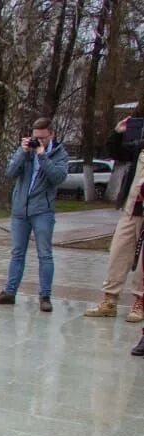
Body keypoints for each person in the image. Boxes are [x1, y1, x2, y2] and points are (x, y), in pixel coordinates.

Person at [0, 117, 68, 312]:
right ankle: (9, 292)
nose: (38, 141)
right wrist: (23, 152)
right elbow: (10, 172)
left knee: (45, 254)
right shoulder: (26, 150)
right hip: (20, 210)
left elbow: (58, 177)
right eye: (35, 137)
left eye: (43, 138)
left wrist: (42, 156)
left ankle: (45, 296)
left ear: (51, 135)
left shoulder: (59, 153)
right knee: (17, 253)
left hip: (43, 211)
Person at [84, 113, 144, 323]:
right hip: (132, 207)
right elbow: (117, 152)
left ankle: (140, 301)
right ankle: (110, 299)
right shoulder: (139, 147)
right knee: (118, 251)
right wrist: (117, 134)